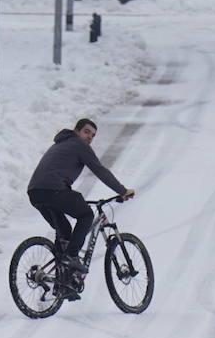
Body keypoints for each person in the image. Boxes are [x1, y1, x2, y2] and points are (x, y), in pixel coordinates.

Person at [27, 118, 135, 298]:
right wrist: (122, 191)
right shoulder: (78, 145)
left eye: (93, 135)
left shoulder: (60, 145)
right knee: (86, 214)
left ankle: (64, 283)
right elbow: (100, 170)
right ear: (76, 131)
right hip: (53, 189)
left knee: (65, 232)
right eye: (86, 132)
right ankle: (71, 257)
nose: (89, 138)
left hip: (36, 192)